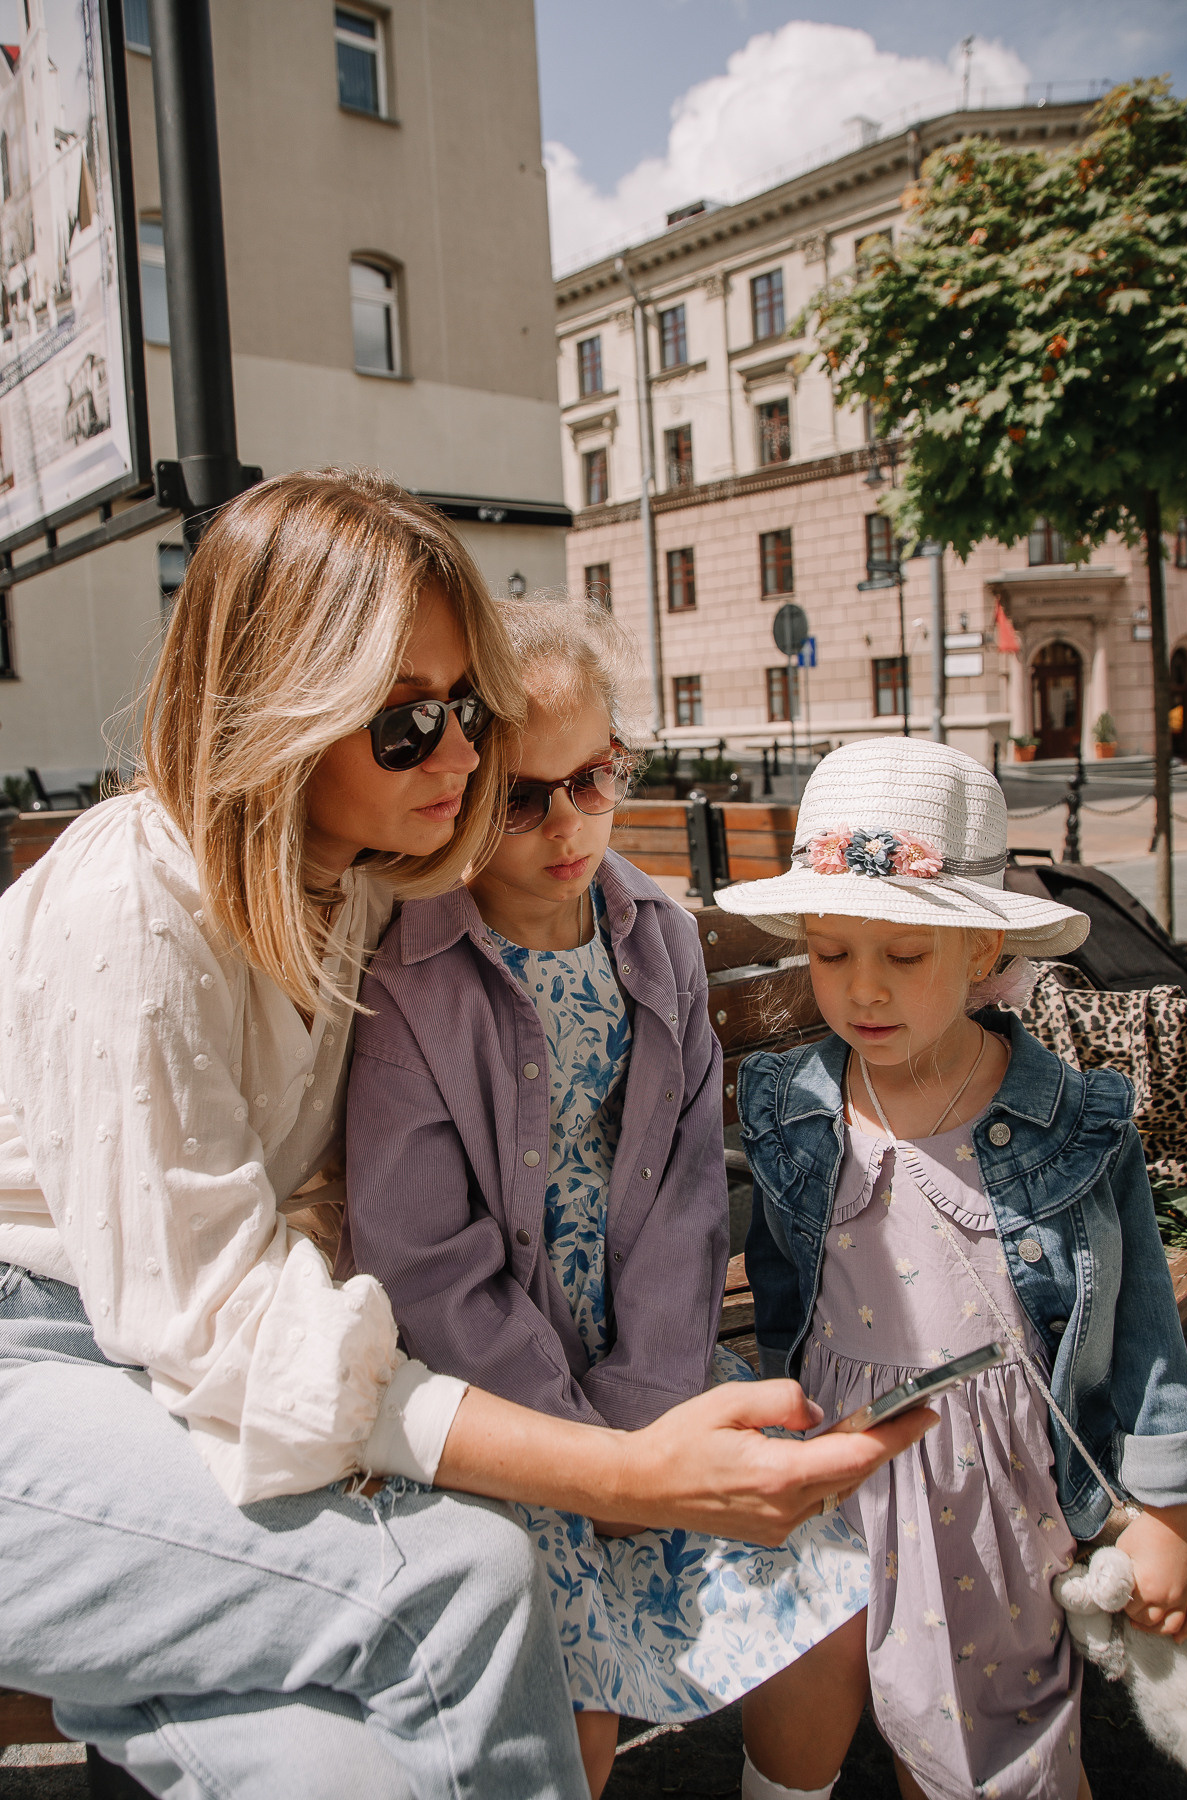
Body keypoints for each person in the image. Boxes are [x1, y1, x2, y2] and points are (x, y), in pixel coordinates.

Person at [0, 471, 929, 1800]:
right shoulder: (131, 915)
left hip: (169, 1386)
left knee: (347, 1775)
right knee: (469, 1589)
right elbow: (222, 1326)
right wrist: (622, 1469)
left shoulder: (367, 883)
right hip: (50, 1365)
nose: (462, 760)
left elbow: (588, 922)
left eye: (467, 711)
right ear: (276, 714)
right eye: (402, 725)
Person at [343, 594, 874, 1798]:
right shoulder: (415, 979)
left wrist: (647, 1412)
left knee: (828, 1590)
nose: (567, 824)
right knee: (564, 1709)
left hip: (657, 1367)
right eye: (522, 798)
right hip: (494, 1405)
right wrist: (594, 1459)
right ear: (465, 791)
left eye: (593, 779)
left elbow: (688, 1210)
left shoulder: (654, 937)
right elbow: (429, 1270)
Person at [713, 735, 1187, 1800]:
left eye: (903, 956)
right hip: (826, 1462)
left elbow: (1142, 1334)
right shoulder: (791, 1102)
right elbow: (783, 1284)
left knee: (985, 1758)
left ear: (983, 956)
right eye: (832, 953)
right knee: (789, 1718)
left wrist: (1166, 1514)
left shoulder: (1074, 1124)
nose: (860, 991)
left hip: (980, 1480)